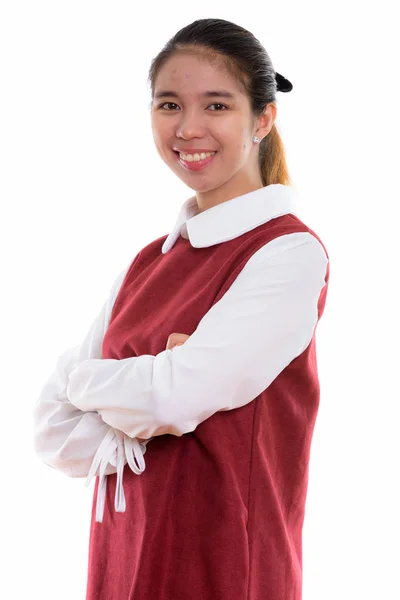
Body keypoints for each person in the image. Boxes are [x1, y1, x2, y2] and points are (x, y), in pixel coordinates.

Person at [33, 17, 330, 600]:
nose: (189, 127)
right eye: (169, 104)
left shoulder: (287, 253)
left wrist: (110, 391)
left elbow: (171, 398)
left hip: (225, 567)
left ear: (262, 119)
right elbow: (52, 433)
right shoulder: (150, 261)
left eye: (216, 106)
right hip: (124, 563)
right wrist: (143, 391)